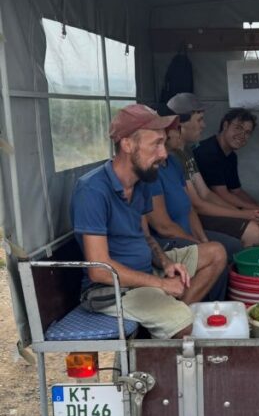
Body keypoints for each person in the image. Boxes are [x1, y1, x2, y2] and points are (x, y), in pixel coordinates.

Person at [71, 104, 227, 339]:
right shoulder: (92, 190)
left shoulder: (141, 183)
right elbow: (99, 270)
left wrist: (165, 264)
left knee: (216, 253)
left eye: (163, 143)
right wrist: (161, 284)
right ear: (127, 144)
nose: (164, 153)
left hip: (145, 271)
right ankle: (172, 322)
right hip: (114, 289)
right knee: (185, 323)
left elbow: (145, 236)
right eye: (155, 144)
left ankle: (166, 320)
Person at [166, 93, 259, 247]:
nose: (204, 125)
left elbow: (206, 193)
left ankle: (254, 267)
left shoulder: (186, 151)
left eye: (247, 132)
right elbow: (198, 204)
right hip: (189, 219)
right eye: (199, 120)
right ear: (180, 122)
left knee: (257, 221)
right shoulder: (177, 156)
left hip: (199, 213)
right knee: (252, 229)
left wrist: (248, 212)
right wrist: (241, 214)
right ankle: (247, 269)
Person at [193, 107, 259, 232]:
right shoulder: (208, 151)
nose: (242, 136)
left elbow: (236, 191)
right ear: (225, 125)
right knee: (254, 224)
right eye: (238, 128)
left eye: (247, 132)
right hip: (201, 210)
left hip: (217, 204)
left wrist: (258, 206)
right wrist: (252, 210)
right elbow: (221, 193)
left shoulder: (230, 156)